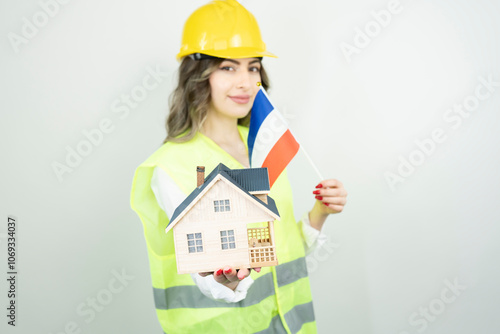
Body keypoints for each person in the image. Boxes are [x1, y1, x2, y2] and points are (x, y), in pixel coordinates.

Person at [130, 0, 347, 333]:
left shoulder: (260, 146)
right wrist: (229, 278)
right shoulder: (173, 166)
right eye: (229, 67)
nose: (246, 82)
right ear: (198, 76)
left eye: (253, 67)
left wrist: (320, 213)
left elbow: (283, 248)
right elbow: (211, 283)